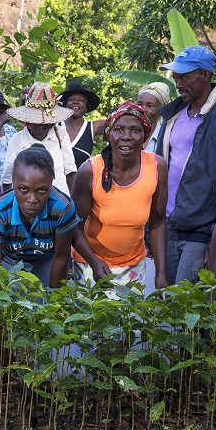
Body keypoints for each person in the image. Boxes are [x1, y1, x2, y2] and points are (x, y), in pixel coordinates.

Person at [155, 45, 216, 284]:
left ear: (206, 75)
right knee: (167, 303)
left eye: (184, 77)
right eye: (176, 78)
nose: (178, 84)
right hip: (166, 225)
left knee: (188, 304)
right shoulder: (172, 115)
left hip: (201, 229)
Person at [71, 101, 169, 291]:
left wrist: (161, 272)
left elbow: (157, 222)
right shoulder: (90, 170)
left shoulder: (157, 167)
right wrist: (94, 262)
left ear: (145, 136)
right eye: (119, 130)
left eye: (135, 130)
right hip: (91, 263)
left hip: (133, 265)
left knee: (131, 320)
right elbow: (74, 225)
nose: (126, 137)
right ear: (108, 134)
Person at [0, 145, 79, 289]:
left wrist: (55, 304)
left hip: (45, 262)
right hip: (9, 262)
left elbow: (60, 258)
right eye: (23, 189)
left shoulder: (63, 208)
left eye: (42, 190)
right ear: (13, 181)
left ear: (51, 182)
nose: (32, 199)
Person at [3, 82, 75, 195]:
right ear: (28, 121)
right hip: (27, 202)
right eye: (36, 123)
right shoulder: (17, 140)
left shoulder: (60, 135)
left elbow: (70, 170)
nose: (41, 128)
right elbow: (8, 178)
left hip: (59, 200)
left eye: (46, 124)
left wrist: (73, 203)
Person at [56, 79, 105, 169]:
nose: (75, 102)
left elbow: (120, 123)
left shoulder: (93, 127)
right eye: (71, 99)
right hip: (52, 182)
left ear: (87, 107)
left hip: (80, 182)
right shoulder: (54, 126)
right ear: (65, 104)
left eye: (81, 100)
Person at [136, 82, 171, 153]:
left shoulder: (166, 138)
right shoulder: (125, 131)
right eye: (140, 104)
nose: (143, 109)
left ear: (161, 109)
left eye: (149, 105)